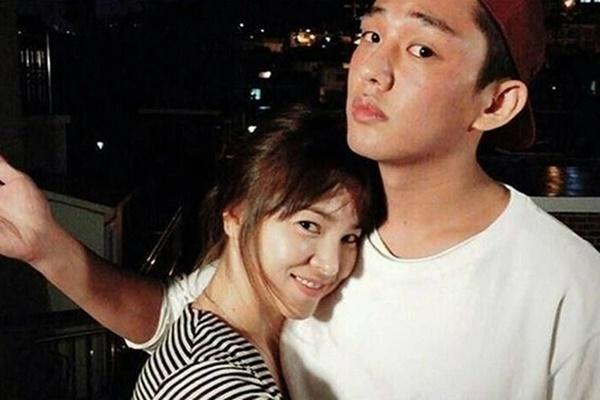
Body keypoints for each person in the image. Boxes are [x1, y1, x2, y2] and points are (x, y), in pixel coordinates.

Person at [0, 0, 599, 398]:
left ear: (496, 102)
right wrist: (47, 248)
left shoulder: (569, 287)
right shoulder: (329, 218)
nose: (371, 68)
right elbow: (185, 322)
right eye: (372, 33)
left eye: (422, 48)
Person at [130, 110, 379, 399]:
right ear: (236, 215)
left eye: (349, 238)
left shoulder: (256, 341)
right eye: (308, 226)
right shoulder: (208, 380)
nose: (331, 265)